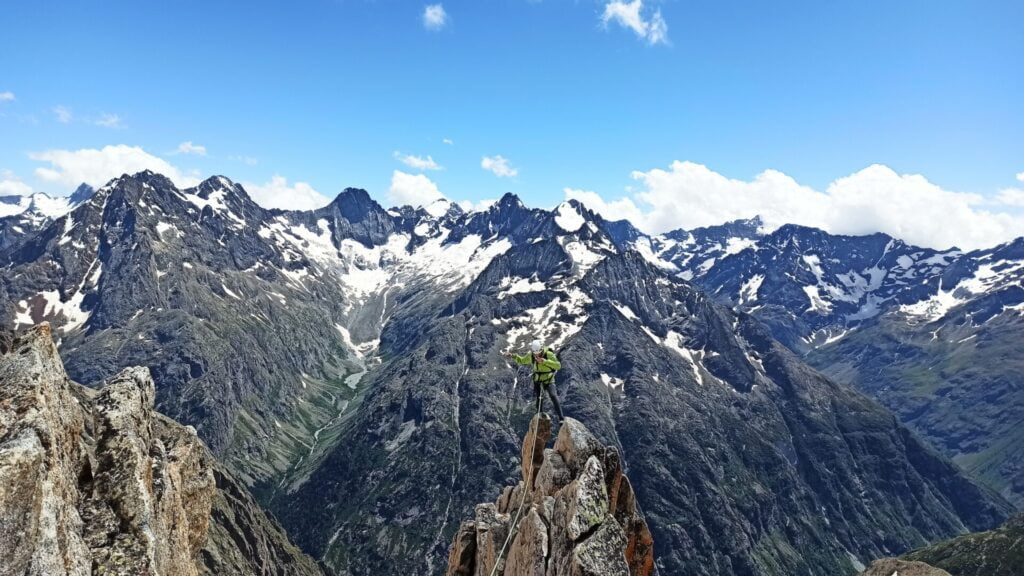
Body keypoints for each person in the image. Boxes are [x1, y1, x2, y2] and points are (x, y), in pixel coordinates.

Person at [508, 339, 564, 419]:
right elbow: (522, 360)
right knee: (539, 399)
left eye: (539, 353)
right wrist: (513, 356)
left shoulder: (549, 354)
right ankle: (539, 417)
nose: (537, 355)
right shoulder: (531, 355)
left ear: (542, 349)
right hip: (538, 381)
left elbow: (558, 365)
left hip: (549, 380)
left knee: (553, 396)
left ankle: (561, 418)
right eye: (535, 354)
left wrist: (544, 361)